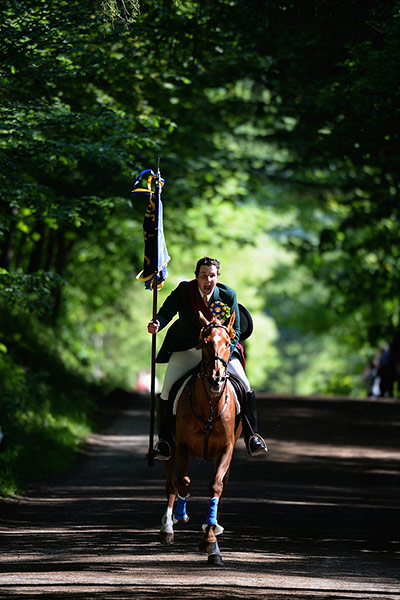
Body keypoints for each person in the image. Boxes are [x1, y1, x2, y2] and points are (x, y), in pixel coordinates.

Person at [147, 256, 267, 460]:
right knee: (166, 391)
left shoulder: (228, 295)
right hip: (187, 348)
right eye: (204, 275)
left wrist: (222, 346)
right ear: (196, 276)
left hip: (218, 352)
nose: (208, 280)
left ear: (217, 277)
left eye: (212, 276)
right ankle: (165, 441)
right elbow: (166, 312)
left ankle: (252, 436)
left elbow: (235, 330)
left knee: (245, 385)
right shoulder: (184, 290)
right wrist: (157, 323)